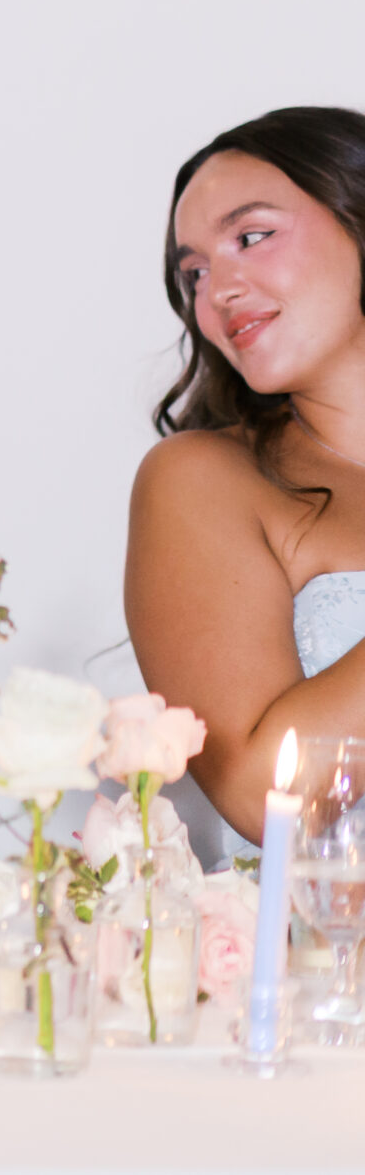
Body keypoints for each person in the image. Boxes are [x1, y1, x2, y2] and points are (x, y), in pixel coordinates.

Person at [128, 106, 365, 842]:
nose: (217, 291)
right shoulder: (201, 480)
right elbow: (268, 798)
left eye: (252, 237)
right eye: (193, 272)